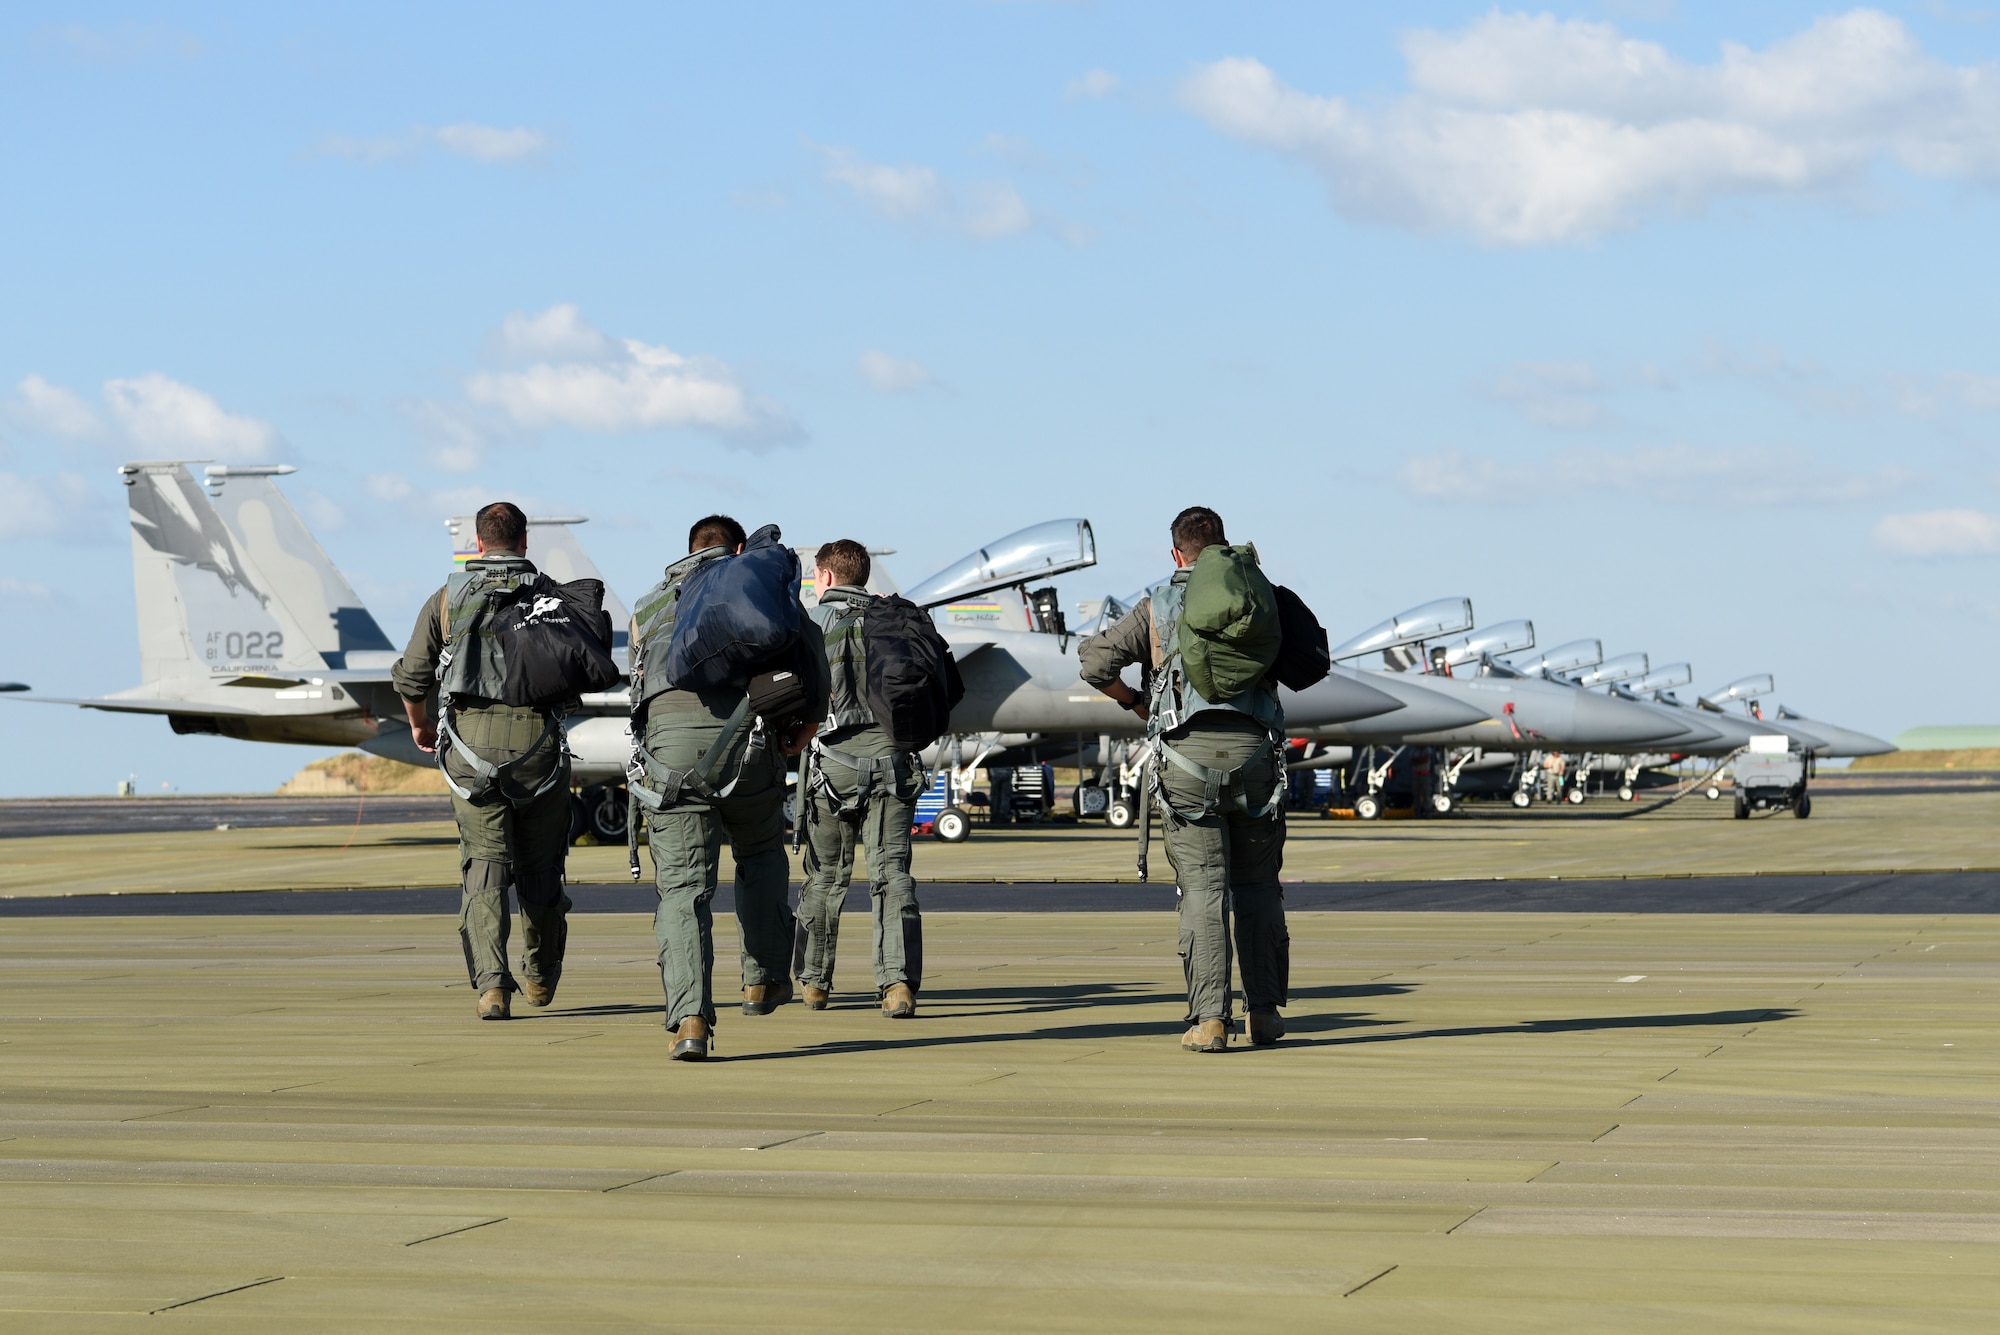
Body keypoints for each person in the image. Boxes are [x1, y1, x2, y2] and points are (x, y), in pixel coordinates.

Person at [1078, 506, 1289, 1052]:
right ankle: (1264, 1017)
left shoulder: (1158, 605)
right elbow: (1310, 662)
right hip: (1257, 759)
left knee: (1202, 891)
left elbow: (1096, 664)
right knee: (1260, 888)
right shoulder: (1260, 595)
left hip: (1187, 763)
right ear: (1223, 546)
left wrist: (1137, 702)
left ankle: (1211, 1021)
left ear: (1177, 554)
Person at [629, 515, 829, 1061]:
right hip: (747, 745)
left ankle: (690, 1021)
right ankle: (761, 981)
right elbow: (811, 653)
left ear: (689, 549)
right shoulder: (757, 588)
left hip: (670, 758)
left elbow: (638, 687)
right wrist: (804, 729)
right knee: (761, 854)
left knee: (683, 889)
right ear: (739, 550)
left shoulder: (648, 606)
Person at [392, 501, 573, 1022]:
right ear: (523, 543)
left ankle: (493, 988)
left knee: (486, 865)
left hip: (470, 751)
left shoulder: (446, 599)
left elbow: (411, 678)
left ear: (477, 543)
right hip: (540, 749)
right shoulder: (551, 596)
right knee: (542, 869)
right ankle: (540, 976)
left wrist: (420, 725)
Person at [795, 539, 924, 1018]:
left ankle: (814, 983)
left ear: (826, 576)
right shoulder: (896, 621)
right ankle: (898, 986)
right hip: (894, 766)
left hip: (832, 767)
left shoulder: (808, 622)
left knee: (826, 876)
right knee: (892, 875)